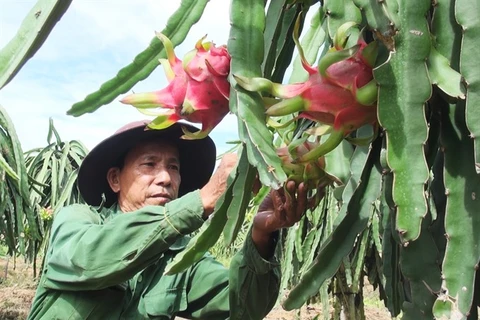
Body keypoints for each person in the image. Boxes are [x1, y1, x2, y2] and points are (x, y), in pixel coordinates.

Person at [28, 120, 310, 320]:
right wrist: (203, 198)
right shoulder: (79, 220)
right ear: (115, 178)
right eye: (149, 164)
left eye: (173, 167)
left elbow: (244, 307)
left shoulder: (181, 260)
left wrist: (261, 235)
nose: (166, 178)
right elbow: (88, 259)